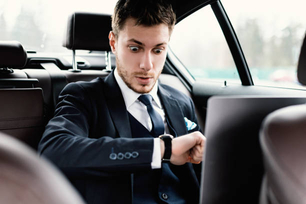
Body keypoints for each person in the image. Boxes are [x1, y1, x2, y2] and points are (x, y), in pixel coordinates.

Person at [38, 0, 206, 203]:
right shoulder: (83, 96)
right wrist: (163, 149)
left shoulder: (181, 101)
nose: (147, 65)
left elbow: (199, 178)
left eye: (158, 50)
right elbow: (54, 151)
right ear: (113, 43)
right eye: (135, 48)